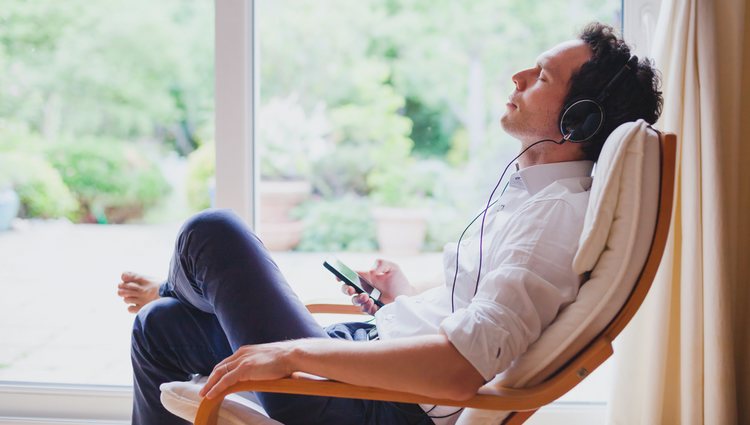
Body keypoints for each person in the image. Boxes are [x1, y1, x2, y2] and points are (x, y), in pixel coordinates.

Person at [118, 22, 662, 425]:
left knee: (211, 233)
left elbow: (459, 369)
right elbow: (477, 319)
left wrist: (295, 352)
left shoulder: (553, 218)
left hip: (371, 401)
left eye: (541, 75)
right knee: (159, 328)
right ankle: (177, 297)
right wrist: (401, 299)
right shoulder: (529, 198)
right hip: (366, 360)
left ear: (580, 119)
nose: (518, 76)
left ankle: (179, 288)